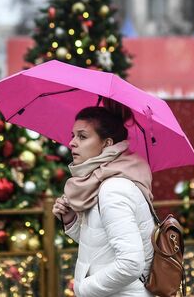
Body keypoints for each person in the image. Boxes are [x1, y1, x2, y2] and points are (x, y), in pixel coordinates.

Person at [52, 105, 155, 297]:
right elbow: (102, 245)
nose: (72, 143)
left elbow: (131, 263)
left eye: (82, 136)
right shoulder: (104, 180)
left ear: (107, 144)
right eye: (73, 135)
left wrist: (83, 288)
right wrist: (71, 220)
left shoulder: (113, 189)